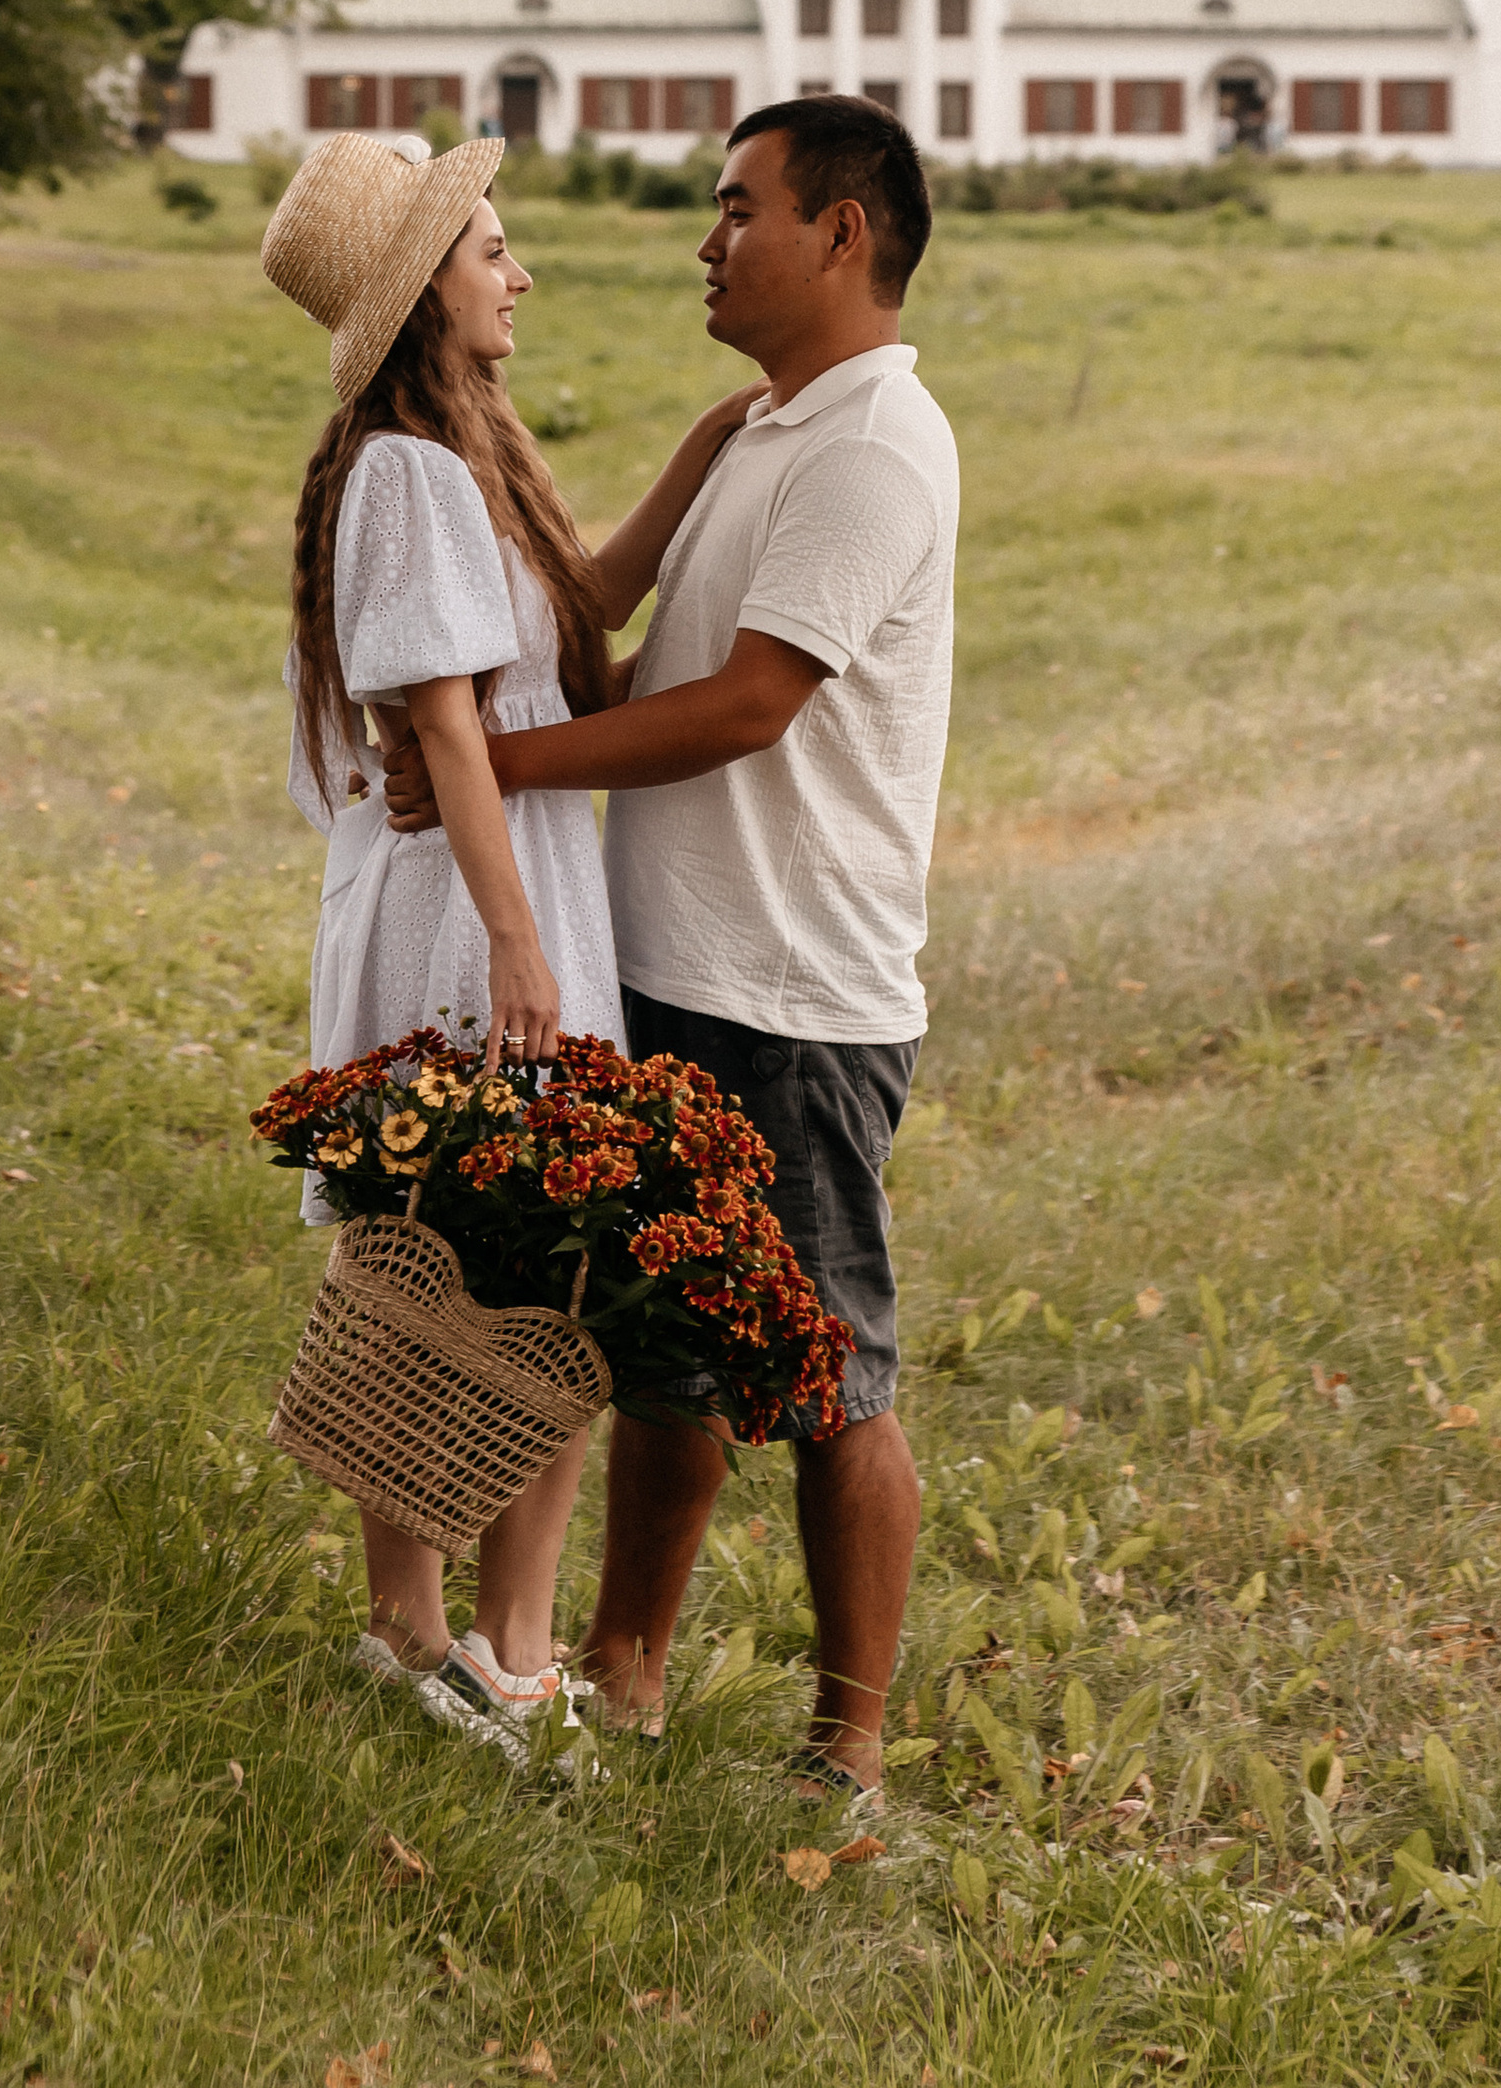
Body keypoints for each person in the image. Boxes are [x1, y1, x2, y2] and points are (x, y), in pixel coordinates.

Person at [384, 94, 957, 1803]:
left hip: (798, 992)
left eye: (737, 211)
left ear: (842, 233)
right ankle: (624, 1674)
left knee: (826, 1373)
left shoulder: (872, 447)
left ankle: (847, 1760)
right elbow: (636, 672)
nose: (706, 242)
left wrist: (491, 768)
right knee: (661, 1351)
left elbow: (750, 708)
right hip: (677, 969)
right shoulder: (767, 432)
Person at [263, 129, 752, 1763]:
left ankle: (444, 1640)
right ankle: (479, 1651)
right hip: (474, 912)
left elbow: (575, 639)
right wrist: (519, 945)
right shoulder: (403, 469)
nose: (517, 268)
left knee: (470, 1267)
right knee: (495, 1274)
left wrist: (702, 454)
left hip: (507, 898)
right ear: (421, 295)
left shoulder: (468, 455)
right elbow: (454, 734)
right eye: (489, 244)